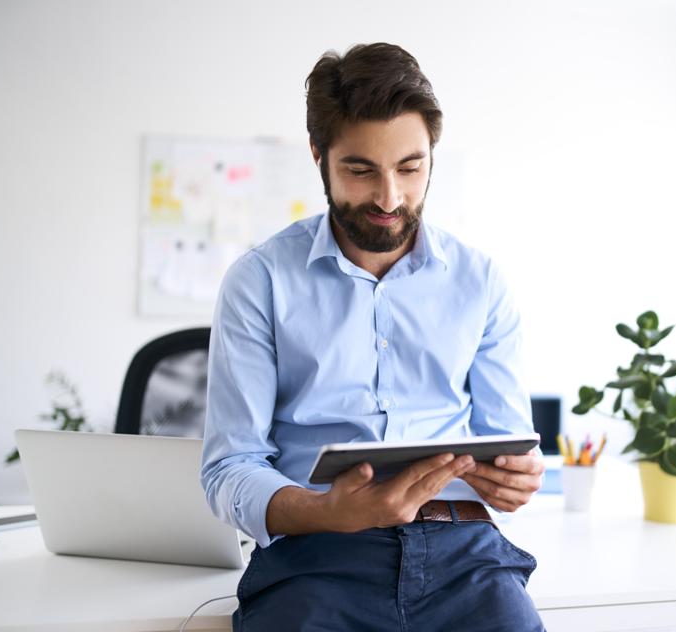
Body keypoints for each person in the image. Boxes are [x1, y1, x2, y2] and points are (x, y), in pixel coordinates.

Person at [200, 42, 545, 631]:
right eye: (361, 170)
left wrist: (516, 476)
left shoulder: (480, 281)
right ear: (319, 156)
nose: (389, 198)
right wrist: (324, 510)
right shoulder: (259, 281)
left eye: (410, 168)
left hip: (464, 550)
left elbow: (507, 442)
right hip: (316, 555)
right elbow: (229, 467)